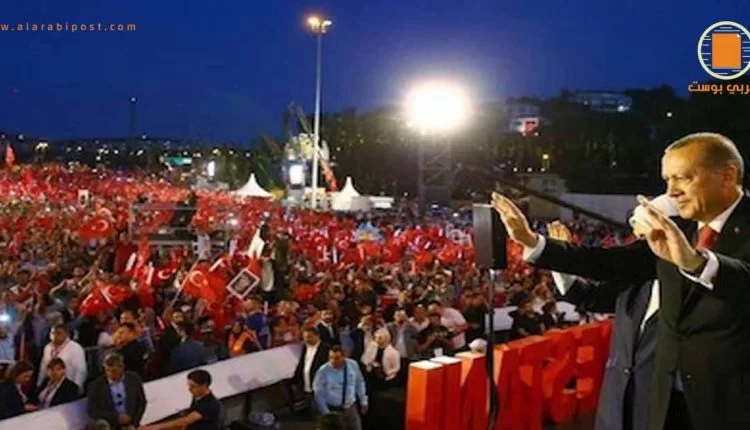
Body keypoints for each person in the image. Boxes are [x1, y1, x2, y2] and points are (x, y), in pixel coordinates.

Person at [492, 132, 750, 429]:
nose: (672, 191)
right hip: (664, 405)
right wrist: (534, 242)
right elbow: (610, 262)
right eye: (667, 180)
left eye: (683, 178)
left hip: (730, 409)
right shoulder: (679, 230)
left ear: (727, 176)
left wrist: (696, 263)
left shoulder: (688, 238)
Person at [548, 220, 660, 430]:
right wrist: (559, 263)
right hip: (615, 411)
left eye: (642, 235)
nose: (634, 239)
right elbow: (589, 297)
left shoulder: (696, 286)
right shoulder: (634, 283)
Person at [138, 369, 222, 430]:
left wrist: (154, 427)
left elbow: (186, 420)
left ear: (204, 385)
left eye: (193, 386)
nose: (189, 389)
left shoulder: (211, 405)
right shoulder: (197, 396)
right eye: (189, 385)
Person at [312, 346, 368, 430]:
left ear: (343, 357)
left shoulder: (352, 365)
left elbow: (359, 383)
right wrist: (327, 414)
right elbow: (318, 394)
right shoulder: (323, 371)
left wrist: (363, 401)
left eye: (337, 358)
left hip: (350, 408)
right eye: (330, 358)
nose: (333, 361)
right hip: (332, 410)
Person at [87, 352, 147, 430]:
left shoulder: (134, 379)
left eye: (114, 371)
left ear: (122, 367)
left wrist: (134, 423)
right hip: (109, 424)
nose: (110, 374)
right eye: (107, 370)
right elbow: (92, 411)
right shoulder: (95, 386)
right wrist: (116, 417)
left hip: (131, 423)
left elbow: (141, 402)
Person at [37, 323, 87, 392]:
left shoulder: (75, 348)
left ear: (66, 334)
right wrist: (39, 384)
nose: (55, 336)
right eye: (52, 333)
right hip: (51, 385)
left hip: (68, 385)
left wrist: (77, 387)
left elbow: (80, 370)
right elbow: (43, 368)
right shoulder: (48, 347)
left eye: (58, 333)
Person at [293, 327, 330, 404]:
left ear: (317, 336)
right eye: (304, 337)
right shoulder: (305, 348)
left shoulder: (326, 349)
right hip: (307, 387)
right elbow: (302, 364)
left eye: (309, 337)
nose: (306, 340)